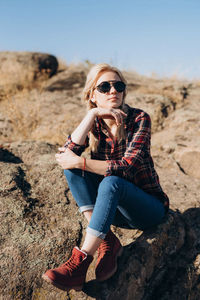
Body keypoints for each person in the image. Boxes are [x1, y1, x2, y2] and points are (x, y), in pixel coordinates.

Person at [42, 63, 169, 291]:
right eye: (104, 87)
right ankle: (108, 240)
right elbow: (65, 155)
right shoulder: (95, 123)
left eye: (118, 86)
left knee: (108, 179)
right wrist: (91, 114)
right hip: (113, 212)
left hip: (148, 210)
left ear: (123, 91)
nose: (113, 91)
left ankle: (80, 263)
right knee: (71, 168)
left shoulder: (139, 118)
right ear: (92, 95)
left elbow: (126, 167)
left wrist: (80, 161)